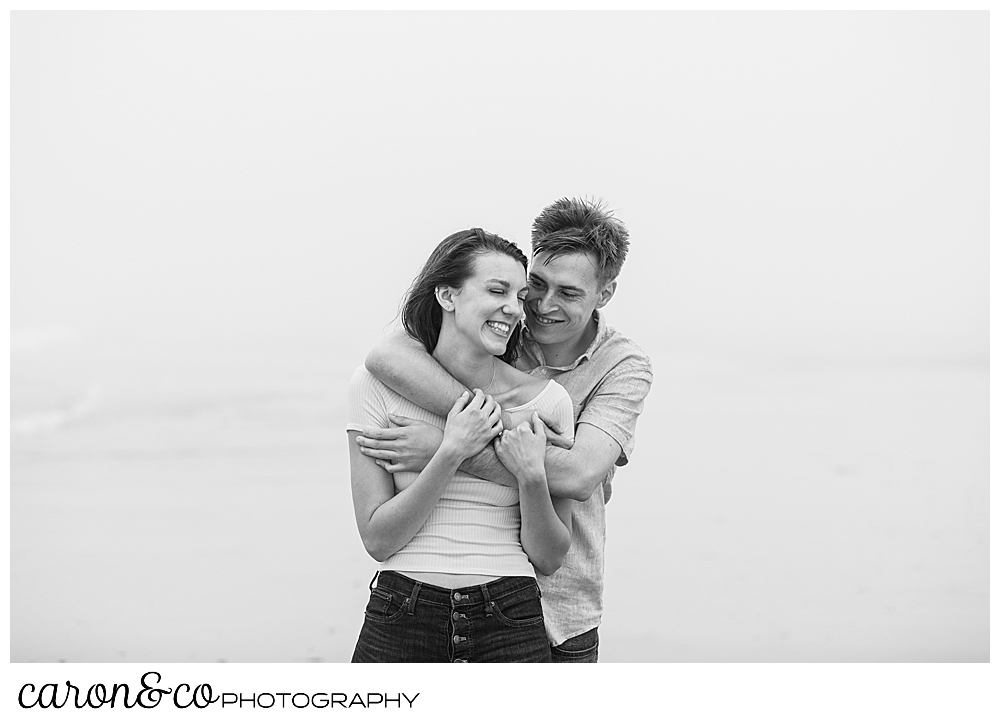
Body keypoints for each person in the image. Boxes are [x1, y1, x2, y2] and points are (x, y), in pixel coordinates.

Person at [357, 197, 653, 663]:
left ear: (606, 293)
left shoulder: (623, 366)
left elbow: (576, 476)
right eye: (537, 285)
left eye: (569, 293)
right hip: (449, 595)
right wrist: (470, 431)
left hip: (562, 605)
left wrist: (446, 445)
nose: (542, 306)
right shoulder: (496, 331)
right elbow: (386, 357)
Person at [347, 227, 576, 663]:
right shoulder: (374, 385)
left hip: (508, 614)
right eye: (496, 290)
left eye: (519, 295)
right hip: (402, 611)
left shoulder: (548, 403)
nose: (513, 309)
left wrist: (531, 475)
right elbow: (378, 539)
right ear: (447, 296)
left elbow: (548, 558)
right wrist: (450, 451)